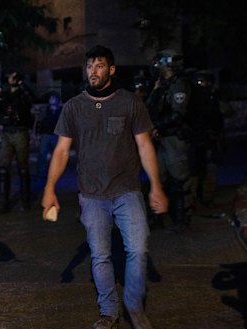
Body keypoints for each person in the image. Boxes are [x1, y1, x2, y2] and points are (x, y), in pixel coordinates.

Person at [41, 45, 168, 329]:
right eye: (89, 66)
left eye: (99, 66)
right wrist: (50, 188)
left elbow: (145, 145)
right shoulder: (74, 106)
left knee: (138, 248)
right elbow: (61, 152)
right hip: (91, 195)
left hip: (127, 190)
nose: (92, 71)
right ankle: (108, 311)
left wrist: (156, 186)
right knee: (100, 255)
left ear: (111, 69)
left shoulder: (130, 102)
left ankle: (134, 306)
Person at [146, 49, 194, 233]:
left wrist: (157, 127)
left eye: (160, 63)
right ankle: (160, 219)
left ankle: (182, 222)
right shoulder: (164, 85)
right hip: (163, 138)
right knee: (160, 178)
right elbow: (150, 108)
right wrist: (156, 90)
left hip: (174, 138)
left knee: (180, 180)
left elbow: (177, 115)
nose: (157, 67)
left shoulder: (179, 85)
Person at [0, 71, 34, 213]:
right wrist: (2, 119)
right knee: (3, 169)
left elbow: (31, 102)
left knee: (23, 169)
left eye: (15, 76)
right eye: (10, 76)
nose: (12, 78)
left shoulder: (23, 93)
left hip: (21, 132)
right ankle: (4, 204)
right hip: (7, 133)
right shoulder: (4, 95)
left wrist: (23, 86)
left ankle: (25, 201)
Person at [185, 70, 225, 207]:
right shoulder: (192, 98)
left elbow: (226, 112)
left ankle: (206, 199)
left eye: (206, 82)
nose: (203, 85)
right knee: (194, 171)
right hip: (196, 138)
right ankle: (193, 200)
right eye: (200, 82)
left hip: (210, 138)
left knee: (209, 170)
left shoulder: (213, 98)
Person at [34, 92, 62, 182]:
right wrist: (37, 132)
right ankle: (41, 174)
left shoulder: (60, 110)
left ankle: (55, 173)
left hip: (56, 135)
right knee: (42, 155)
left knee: (56, 156)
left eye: (53, 98)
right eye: (51, 98)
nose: (52, 100)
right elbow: (39, 121)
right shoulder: (45, 110)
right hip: (46, 134)